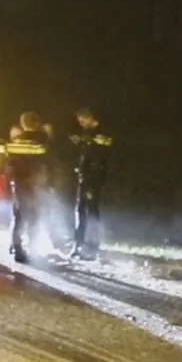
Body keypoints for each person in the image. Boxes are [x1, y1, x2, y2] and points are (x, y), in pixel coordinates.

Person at [2, 111, 54, 262]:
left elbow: (8, 164)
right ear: (36, 124)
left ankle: (16, 245)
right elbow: (49, 162)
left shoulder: (16, 141)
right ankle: (32, 246)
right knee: (34, 216)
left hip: (19, 183)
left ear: (23, 124)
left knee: (19, 215)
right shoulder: (42, 141)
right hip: (36, 184)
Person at [68, 106, 113, 259]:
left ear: (90, 118)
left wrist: (86, 140)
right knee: (81, 209)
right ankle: (79, 243)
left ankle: (91, 244)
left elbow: (100, 151)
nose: (81, 123)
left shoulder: (101, 133)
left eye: (82, 120)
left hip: (94, 177)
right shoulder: (87, 134)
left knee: (91, 210)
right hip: (85, 176)